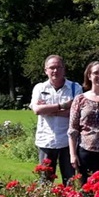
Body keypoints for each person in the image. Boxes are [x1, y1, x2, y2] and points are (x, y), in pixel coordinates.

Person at [30, 55, 82, 185]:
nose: (55, 71)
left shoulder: (75, 88)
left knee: (69, 181)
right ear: (45, 70)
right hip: (46, 141)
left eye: (59, 67)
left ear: (64, 69)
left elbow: (76, 114)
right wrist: (62, 106)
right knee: (45, 181)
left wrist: (48, 110)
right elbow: (37, 110)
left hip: (67, 142)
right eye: (52, 68)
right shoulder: (40, 88)